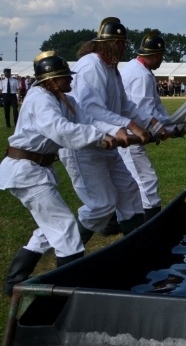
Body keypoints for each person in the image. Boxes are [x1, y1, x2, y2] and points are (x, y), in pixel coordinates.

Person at [1, 51, 117, 295]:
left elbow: (89, 120)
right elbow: (61, 131)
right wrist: (100, 138)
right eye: (66, 77)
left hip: (35, 170)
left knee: (48, 229)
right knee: (65, 228)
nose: (71, 81)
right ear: (52, 80)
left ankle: (13, 283)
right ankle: (68, 291)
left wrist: (120, 133)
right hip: (27, 173)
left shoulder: (62, 99)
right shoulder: (39, 99)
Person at [59, 17, 160, 243]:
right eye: (121, 44)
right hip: (85, 145)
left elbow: (125, 105)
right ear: (110, 43)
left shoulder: (111, 68)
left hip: (107, 143)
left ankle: (136, 247)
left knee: (129, 190)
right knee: (100, 207)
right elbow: (91, 110)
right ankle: (68, 250)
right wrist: (125, 126)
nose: (125, 49)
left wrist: (150, 123)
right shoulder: (91, 66)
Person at [119, 32, 174, 220]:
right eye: (162, 56)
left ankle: (120, 221)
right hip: (130, 136)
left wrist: (173, 123)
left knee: (130, 183)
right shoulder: (141, 75)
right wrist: (164, 127)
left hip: (127, 132)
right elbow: (144, 112)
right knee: (146, 180)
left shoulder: (136, 70)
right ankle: (151, 222)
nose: (161, 61)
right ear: (156, 55)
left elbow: (154, 108)